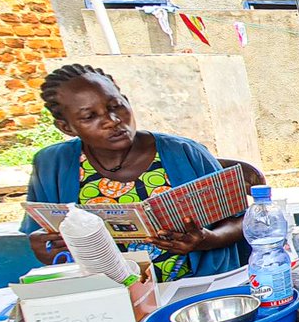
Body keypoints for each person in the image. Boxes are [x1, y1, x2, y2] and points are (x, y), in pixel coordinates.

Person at [20, 63, 242, 281]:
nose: (112, 121)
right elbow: (40, 230)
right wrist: (43, 244)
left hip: (194, 286)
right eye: (90, 116)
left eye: (116, 106)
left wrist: (206, 239)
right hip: (102, 291)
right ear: (66, 127)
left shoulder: (184, 152)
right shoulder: (52, 164)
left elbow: (244, 220)